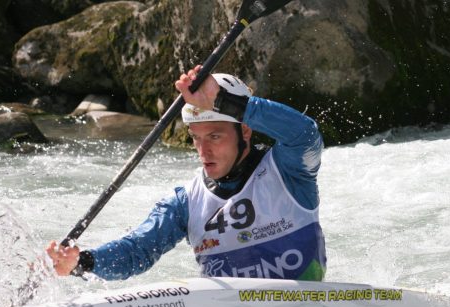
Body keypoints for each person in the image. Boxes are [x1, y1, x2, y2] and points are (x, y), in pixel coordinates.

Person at [46, 65, 326, 281]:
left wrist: (226, 103)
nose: (203, 151)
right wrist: (81, 262)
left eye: (215, 136)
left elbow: (305, 133)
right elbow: (138, 250)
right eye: (195, 137)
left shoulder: (289, 173)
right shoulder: (186, 202)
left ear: (245, 131)